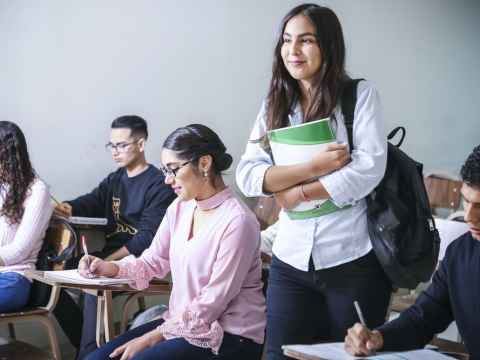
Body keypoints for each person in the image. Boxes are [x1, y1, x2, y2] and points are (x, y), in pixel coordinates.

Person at [236, 4, 392, 358]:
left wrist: (297, 193)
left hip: (351, 257)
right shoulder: (274, 103)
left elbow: (368, 170)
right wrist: (313, 167)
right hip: (290, 258)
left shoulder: (359, 97)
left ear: (328, 46)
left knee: (353, 354)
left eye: (306, 40)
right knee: (278, 355)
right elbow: (248, 175)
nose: (293, 51)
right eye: (287, 40)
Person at [80, 124, 266, 360]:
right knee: (95, 359)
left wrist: (151, 337)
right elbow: (152, 261)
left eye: (173, 169)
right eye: (165, 170)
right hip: (181, 325)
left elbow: (212, 303)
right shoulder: (180, 207)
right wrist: (106, 267)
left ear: (204, 163)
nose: (168, 180)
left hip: (229, 335)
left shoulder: (238, 221)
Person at [51, 115, 176, 357]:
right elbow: (91, 201)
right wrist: (68, 207)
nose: (115, 152)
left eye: (122, 145)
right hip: (109, 257)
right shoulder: (115, 179)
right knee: (54, 275)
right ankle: (83, 340)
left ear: (141, 144)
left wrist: (108, 262)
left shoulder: (158, 183)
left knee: (93, 288)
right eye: (112, 145)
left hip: (138, 261)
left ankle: (85, 354)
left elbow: (145, 239)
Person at [345, 144, 480, 360]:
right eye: (466, 200)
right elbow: (423, 319)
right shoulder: (461, 253)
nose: (469, 216)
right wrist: (379, 337)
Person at [0, 121, 52, 312]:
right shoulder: (1, 187)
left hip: (13, 279)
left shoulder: (37, 191)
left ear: (8, 155)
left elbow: (18, 251)